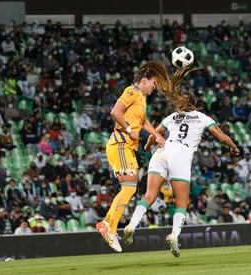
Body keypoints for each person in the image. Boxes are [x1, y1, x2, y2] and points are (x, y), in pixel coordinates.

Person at [122, 66, 240, 257]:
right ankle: (174, 235)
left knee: (149, 196)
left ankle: (132, 224)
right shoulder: (202, 117)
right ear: (195, 105)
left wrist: (147, 146)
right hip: (181, 157)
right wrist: (234, 147)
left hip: (162, 153)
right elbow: (222, 136)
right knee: (181, 203)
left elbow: (154, 136)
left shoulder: (172, 117)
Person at [95, 61, 172, 252]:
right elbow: (115, 111)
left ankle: (108, 226)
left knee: (130, 187)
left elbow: (143, 121)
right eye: (153, 83)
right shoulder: (131, 91)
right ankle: (108, 226)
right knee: (129, 187)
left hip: (127, 147)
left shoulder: (140, 98)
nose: (154, 87)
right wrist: (129, 129)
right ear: (144, 81)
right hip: (120, 144)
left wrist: (156, 135)